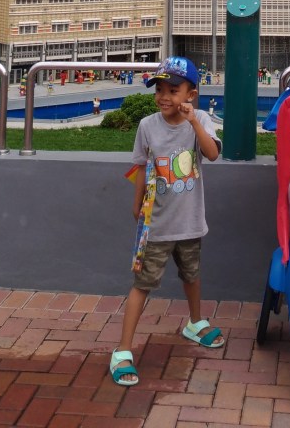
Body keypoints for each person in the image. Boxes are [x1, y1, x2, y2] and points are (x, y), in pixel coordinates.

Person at [110, 56, 223, 387]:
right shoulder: (147, 126)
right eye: (159, 89)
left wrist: (194, 122)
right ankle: (123, 349)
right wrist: (136, 206)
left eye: (173, 90)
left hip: (189, 222)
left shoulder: (201, 119)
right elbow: (141, 167)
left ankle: (195, 322)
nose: (164, 97)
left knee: (192, 275)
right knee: (142, 284)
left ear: (191, 94)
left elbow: (212, 154)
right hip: (156, 225)